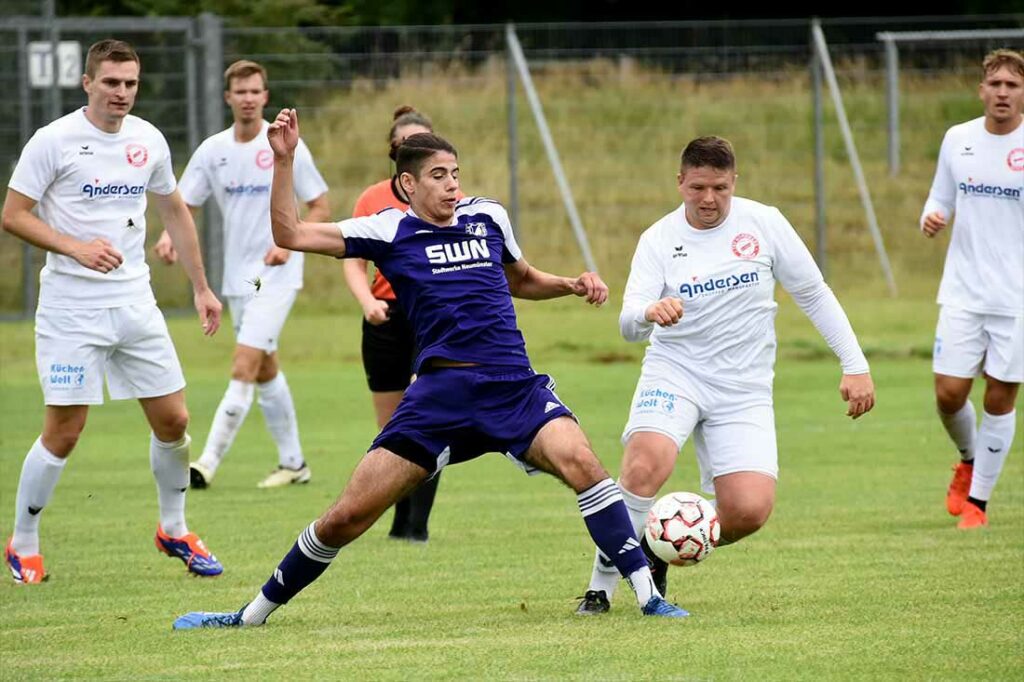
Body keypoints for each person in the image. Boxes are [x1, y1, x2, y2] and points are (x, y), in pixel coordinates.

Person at [172, 108, 688, 629]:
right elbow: (290, 233)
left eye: (456, 174)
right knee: (348, 515)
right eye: (438, 176)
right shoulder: (388, 230)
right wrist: (282, 162)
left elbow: (521, 277)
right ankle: (252, 615)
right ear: (408, 183)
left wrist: (570, 284)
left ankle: (648, 597)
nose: (451, 186)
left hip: (513, 387)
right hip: (439, 397)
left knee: (586, 466)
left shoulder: (488, 216)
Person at [576, 136, 876, 615]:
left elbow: (814, 293)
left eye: (720, 187)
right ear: (680, 183)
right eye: (698, 187)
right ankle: (600, 589)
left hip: (743, 388)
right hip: (675, 373)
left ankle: (655, 548)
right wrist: (651, 311)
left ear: (735, 182)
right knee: (644, 464)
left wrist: (854, 363)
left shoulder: (766, 223)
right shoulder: (658, 238)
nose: (709, 199)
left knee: (749, 511)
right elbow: (628, 322)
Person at [2, 39, 224, 583]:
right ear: (87, 83)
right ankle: (23, 542)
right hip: (71, 311)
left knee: (174, 421)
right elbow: (13, 215)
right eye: (111, 82)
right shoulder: (52, 140)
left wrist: (201, 287)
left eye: (130, 83)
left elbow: (174, 211)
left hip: (135, 303)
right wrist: (74, 247)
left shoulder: (148, 139)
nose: (121, 93)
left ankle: (174, 528)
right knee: (65, 431)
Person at [153, 60, 330, 489]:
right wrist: (169, 235)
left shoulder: (286, 145)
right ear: (228, 97)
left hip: (278, 274)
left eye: (255, 91)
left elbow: (320, 205)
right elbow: (185, 202)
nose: (248, 99)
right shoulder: (214, 151)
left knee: (244, 363)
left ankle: (205, 463)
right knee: (264, 366)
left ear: (265, 97)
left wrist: (289, 241)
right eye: (241, 92)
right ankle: (294, 463)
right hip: (239, 278)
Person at [920, 49, 1023, 530]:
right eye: (996, 84)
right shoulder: (957, 139)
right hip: (962, 291)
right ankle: (968, 458)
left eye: (1013, 85)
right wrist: (932, 219)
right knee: (948, 393)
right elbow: (939, 199)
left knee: (999, 400)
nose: (1003, 92)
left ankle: (978, 504)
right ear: (982, 90)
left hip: (1017, 299)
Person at [342, 106, 451, 542]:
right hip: (385, 316)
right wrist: (367, 300)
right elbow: (354, 260)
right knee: (393, 430)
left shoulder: (446, 196)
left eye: (424, 138)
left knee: (430, 419)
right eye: (406, 142)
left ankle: (414, 528)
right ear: (394, 152)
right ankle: (398, 524)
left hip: (431, 319)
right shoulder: (372, 199)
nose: (416, 147)